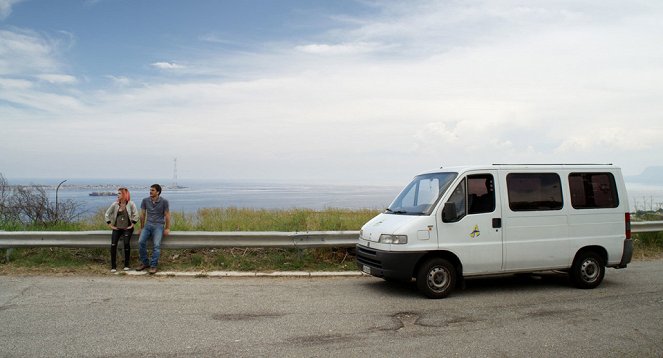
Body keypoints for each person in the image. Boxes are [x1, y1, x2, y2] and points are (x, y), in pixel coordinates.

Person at [136, 184, 170, 274]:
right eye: (150, 190)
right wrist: (142, 227)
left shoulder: (164, 201)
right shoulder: (145, 200)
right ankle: (145, 263)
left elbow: (167, 215)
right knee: (141, 242)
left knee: (156, 245)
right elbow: (142, 214)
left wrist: (167, 228)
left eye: (153, 190)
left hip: (159, 225)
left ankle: (153, 266)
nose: (150, 191)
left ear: (158, 192)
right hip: (148, 225)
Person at [104, 187, 139, 273]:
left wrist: (132, 224)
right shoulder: (115, 204)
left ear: (124, 194)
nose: (117, 195)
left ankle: (126, 265)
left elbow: (136, 214)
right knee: (113, 245)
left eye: (119, 193)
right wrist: (110, 225)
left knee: (126, 244)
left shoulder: (131, 204)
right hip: (117, 228)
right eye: (118, 193)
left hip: (127, 228)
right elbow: (107, 214)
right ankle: (113, 266)